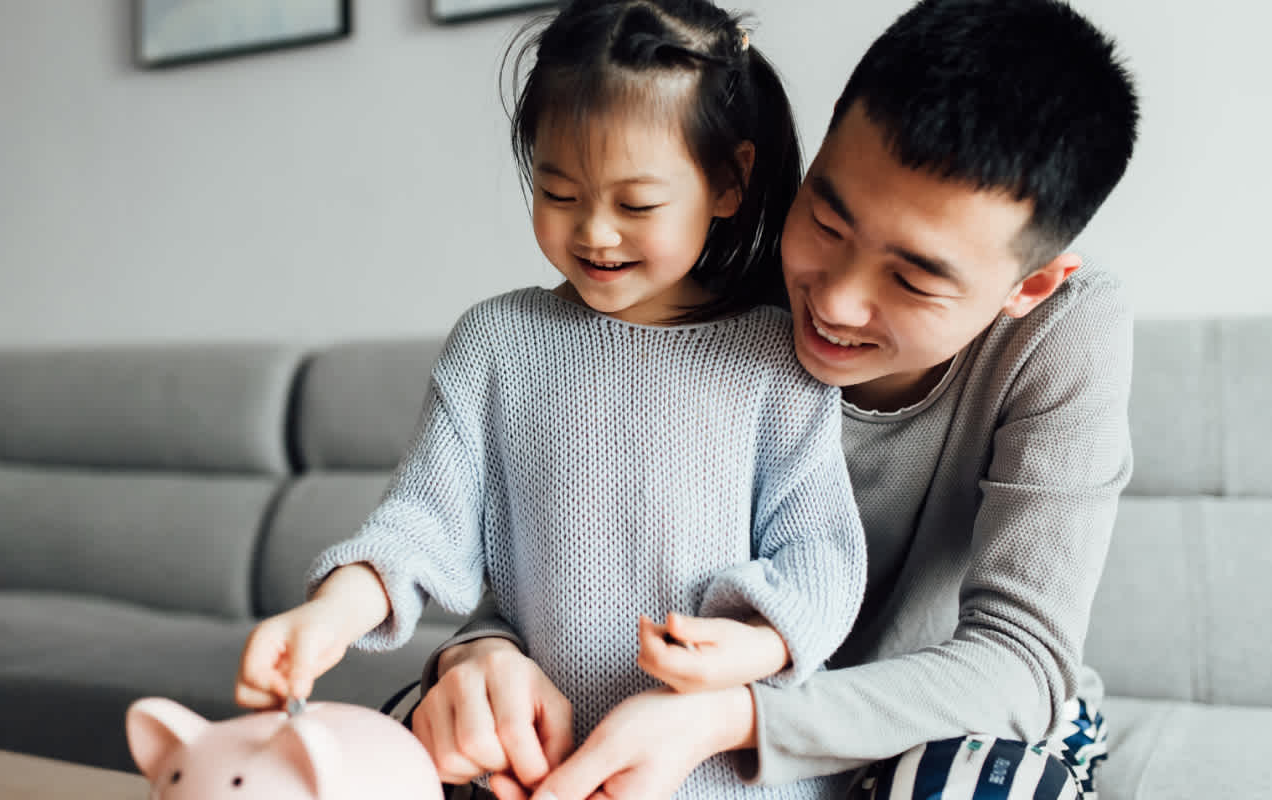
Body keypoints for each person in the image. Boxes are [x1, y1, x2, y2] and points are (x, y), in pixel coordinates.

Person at [411, 1, 1141, 798]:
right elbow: (536, 548)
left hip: (929, 720)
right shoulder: (706, 273)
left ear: (1029, 285)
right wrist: (477, 654)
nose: (835, 301)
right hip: (682, 720)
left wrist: (738, 719)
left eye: (912, 278)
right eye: (827, 222)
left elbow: (1022, 659)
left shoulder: (1066, 333)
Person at [235, 2, 869, 798]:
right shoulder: (496, 344)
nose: (595, 233)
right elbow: (421, 524)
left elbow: (822, 557)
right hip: (543, 771)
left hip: (729, 775)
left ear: (730, 181)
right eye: (559, 192)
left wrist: (758, 647)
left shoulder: (777, 360)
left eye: (636, 204)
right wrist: (325, 618)